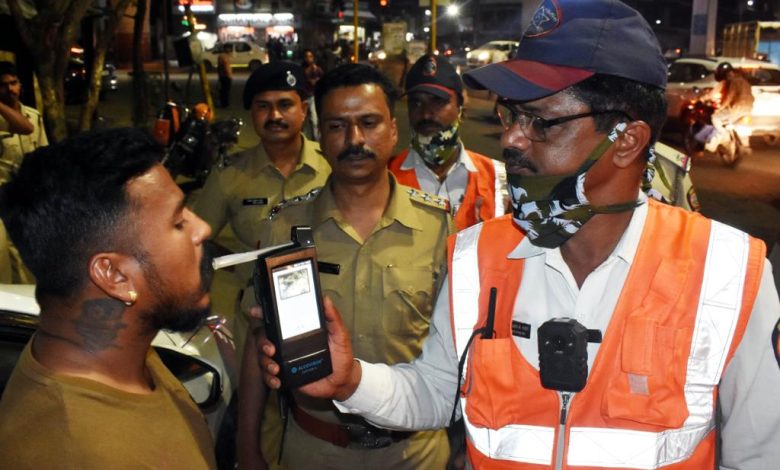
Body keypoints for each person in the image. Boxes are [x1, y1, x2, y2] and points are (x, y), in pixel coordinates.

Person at [257, 1, 780, 469]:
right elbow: (437, 393)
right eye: (511, 116)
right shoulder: (476, 256)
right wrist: (352, 382)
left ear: (627, 140)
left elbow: (759, 455)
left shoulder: (729, 273)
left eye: (542, 123)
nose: (510, 138)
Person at [239, 63, 453, 470]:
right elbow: (258, 340)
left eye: (368, 123)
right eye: (337, 126)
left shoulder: (439, 226)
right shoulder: (285, 225)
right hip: (314, 449)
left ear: (393, 128)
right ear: (319, 136)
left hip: (416, 453)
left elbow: (462, 350)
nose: (355, 140)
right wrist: (247, 445)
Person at [0, 128, 217, 468]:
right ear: (114, 276)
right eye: (178, 222)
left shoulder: (120, 355)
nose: (202, 228)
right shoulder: (76, 452)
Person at [192, 60, 330, 361]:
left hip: (328, 314)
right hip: (255, 320)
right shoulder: (230, 176)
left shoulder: (332, 167)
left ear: (304, 110)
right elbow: (194, 239)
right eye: (263, 106)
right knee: (254, 403)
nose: (275, 115)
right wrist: (240, 265)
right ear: (252, 113)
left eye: (285, 105)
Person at [390, 54, 507, 230]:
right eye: (416, 103)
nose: (426, 114)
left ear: (460, 107)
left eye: (438, 101)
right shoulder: (386, 176)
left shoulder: (498, 179)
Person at [0, 60, 47, 284]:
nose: (10, 89)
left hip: (28, 192)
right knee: (10, 252)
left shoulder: (33, 115)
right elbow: (22, 128)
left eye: (14, 83)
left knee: (31, 246)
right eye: (3, 85)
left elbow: (42, 151)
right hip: (4, 193)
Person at [705, 61, 755, 153]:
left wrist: (721, 108)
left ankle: (725, 136)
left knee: (715, 118)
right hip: (748, 109)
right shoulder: (745, 82)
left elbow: (729, 97)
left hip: (736, 109)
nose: (728, 77)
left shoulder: (734, 82)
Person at [217, 43, 234, 108]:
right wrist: (228, 75)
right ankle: (224, 104)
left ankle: (224, 103)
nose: (230, 50)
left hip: (224, 76)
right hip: (225, 76)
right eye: (229, 48)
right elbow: (225, 66)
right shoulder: (223, 56)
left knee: (224, 90)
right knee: (225, 91)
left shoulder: (223, 56)